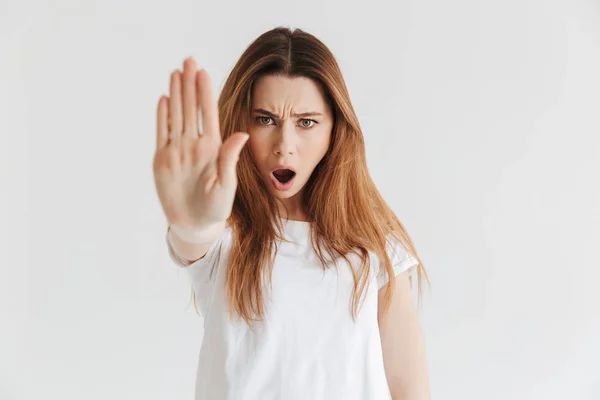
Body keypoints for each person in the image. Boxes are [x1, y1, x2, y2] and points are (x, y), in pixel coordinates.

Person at [153, 26, 431, 400]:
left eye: (306, 122)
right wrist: (194, 221)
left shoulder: (375, 246)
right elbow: (193, 239)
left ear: (335, 128)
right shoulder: (225, 236)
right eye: (265, 119)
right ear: (241, 121)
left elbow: (409, 390)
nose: (285, 147)